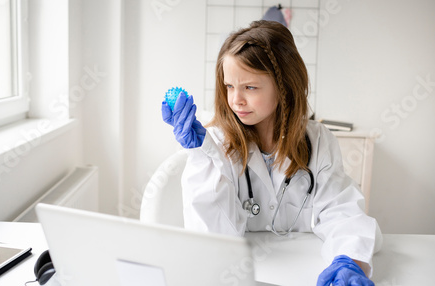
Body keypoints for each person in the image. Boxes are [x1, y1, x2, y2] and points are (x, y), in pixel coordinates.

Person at [161, 20, 382, 286]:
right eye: (229, 86)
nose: (236, 100)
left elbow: (342, 212)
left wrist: (349, 260)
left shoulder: (318, 141)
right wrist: (201, 156)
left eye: (250, 87)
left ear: (284, 85)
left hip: (304, 270)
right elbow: (213, 238)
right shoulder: (217, 143)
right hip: (242, 275)